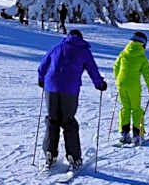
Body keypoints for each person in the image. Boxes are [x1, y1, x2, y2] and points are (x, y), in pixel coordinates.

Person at [38, 29, 107, 170]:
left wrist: (41, 80)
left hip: (51, 87)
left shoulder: (57, 47)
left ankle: (50, 153)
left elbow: (43, 65)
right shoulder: (84, 50)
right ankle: (74, 157)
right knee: (68, 121)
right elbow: (92, 69)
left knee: (52, 119)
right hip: (69, 89)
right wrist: (99, 84)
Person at [113, 31, 149, 145]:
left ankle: (124, 134)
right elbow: (147, 73)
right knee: (136, 109)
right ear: (143, 43)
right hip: (133, 86)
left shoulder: (123, 53)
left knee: (125, 108)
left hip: (121, 83)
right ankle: (137, 135)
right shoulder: (142, 56)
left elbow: (116, 67)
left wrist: (118, 80)